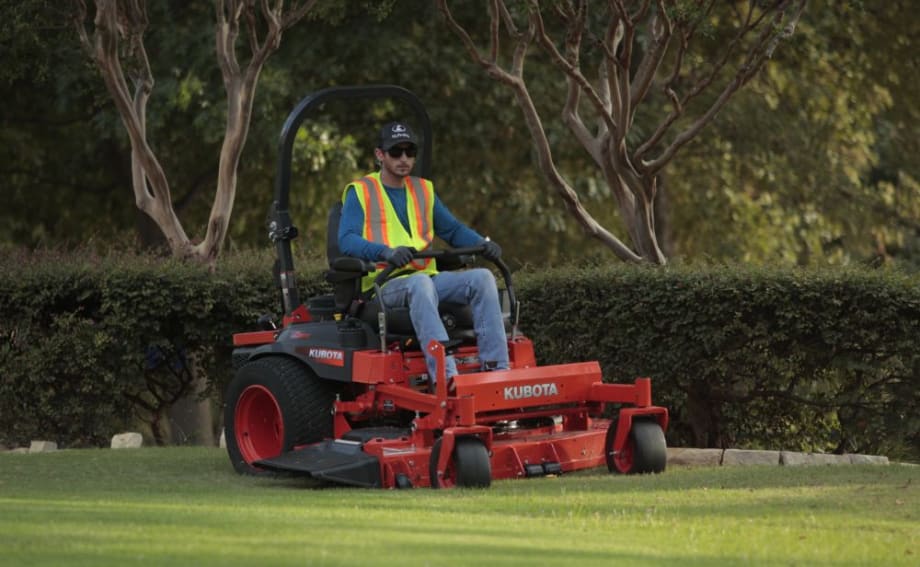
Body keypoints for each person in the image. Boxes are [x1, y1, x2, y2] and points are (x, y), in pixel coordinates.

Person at [338, 121, 509, 387]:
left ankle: (497, 369)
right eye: (396, 152)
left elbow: (451, 230)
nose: (404, 159)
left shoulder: (423, 190)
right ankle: (446, 377)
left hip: (426, 279)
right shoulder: (360, 191)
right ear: (380, 155)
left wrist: (483, 243)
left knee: (483, 278)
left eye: (409, 152)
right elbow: (346, 239)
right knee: (420, 284)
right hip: (385, 283)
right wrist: (386, 252)